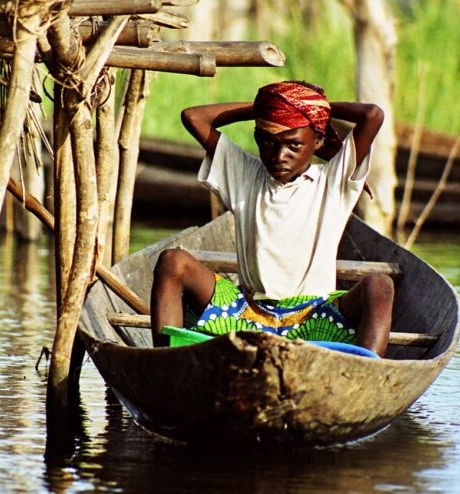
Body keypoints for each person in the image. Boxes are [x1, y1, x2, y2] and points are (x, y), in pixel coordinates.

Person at [150, 80, 393, 356]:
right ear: (257, 137)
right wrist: (268, 108)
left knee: (380, 284)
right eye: (269, 142)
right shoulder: (245, 175)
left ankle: (363, 368)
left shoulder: (332, 181)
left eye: (294, 145)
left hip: (316, 317)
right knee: (173, 261)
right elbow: (193, 116)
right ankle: (164, 362)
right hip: (247, 312)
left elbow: (372, 115)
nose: (279, 155)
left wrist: (307, 107)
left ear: (319, 140)